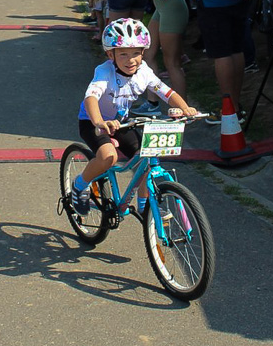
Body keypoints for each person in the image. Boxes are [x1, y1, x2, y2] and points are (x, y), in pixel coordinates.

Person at [69, 18, 197, 216]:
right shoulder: (104, 71)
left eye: (136, 53)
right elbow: (91, 98)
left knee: (145, 157)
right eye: (123, 54)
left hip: (121, 123)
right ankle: (79, 185)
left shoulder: (144, 71)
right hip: (93, 122)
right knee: (108, 157)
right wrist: (99, 122)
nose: (131, 60)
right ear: (110, 54)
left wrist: (185, 108)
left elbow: (166, 93)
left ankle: (145, 207)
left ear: (143, 53)